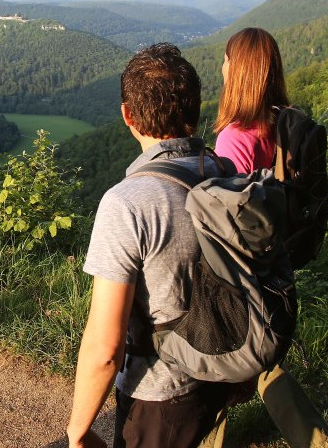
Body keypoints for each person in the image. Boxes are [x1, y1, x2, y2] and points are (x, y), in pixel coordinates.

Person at [67, 43, 234, 448]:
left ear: (127, 115)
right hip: (220, 369)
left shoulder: (128, 203)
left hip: (160, 393)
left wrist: (77, 431)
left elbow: (106, 347)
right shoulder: (225, 173)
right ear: (195, 109)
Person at [213, 27, 328, 448]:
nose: (222, 66)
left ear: (241, 70)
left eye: (227, 59)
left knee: (218, 361)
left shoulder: (234, 137)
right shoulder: (284, 123)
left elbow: (226, 219)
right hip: (280, 261)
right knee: (264, 359)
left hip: (246, 269)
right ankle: (315, 439)